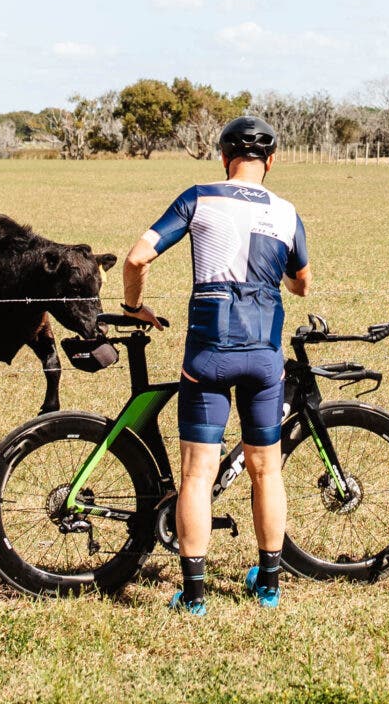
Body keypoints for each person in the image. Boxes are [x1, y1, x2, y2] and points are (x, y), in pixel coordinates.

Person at [120, 115, 310, 615]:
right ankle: (268, 585)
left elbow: (137, 258)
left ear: (223, 157)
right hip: (263, 355)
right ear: (271, 161)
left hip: (209, 351)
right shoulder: (287, 212)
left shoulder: (198, 197)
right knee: (266, 471)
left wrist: (134, 306)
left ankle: (195, 595)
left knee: (197, 474)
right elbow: (303, 282)